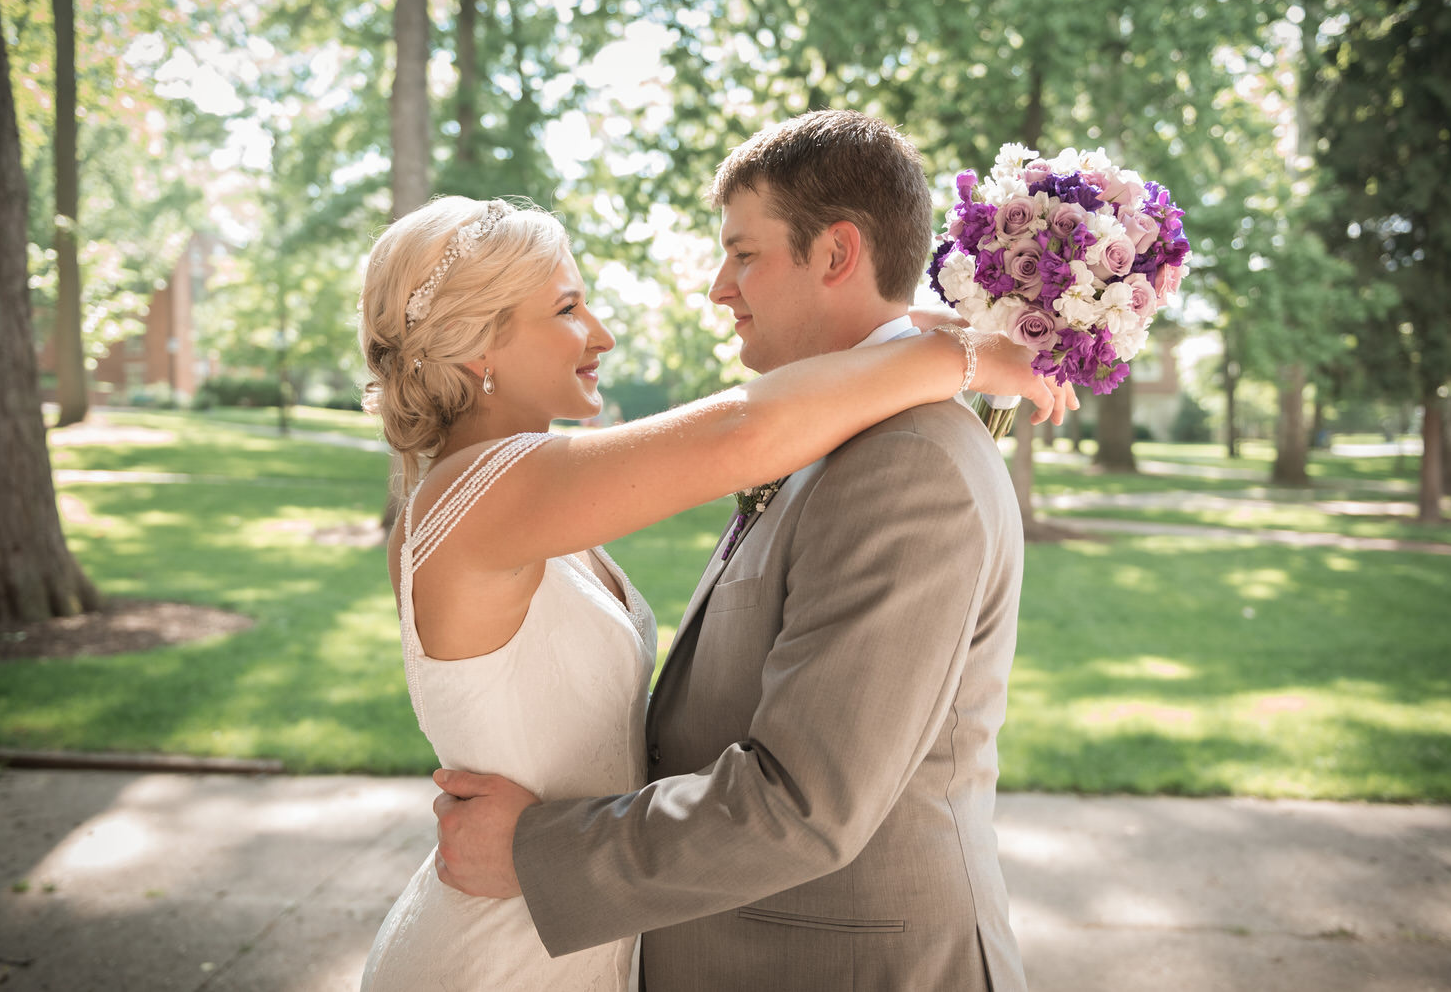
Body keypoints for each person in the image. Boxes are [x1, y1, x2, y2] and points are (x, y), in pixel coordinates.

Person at [358, 179, 1070, 990]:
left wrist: (902, 333)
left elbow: (766, 418)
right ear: (477, 346)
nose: (602, 334)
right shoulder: (484, 494)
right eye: (566, 310)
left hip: (572, 919)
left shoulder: (512, 494)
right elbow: (748, 429)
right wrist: (964, 357)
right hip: (504, 947)